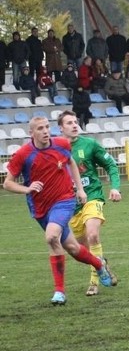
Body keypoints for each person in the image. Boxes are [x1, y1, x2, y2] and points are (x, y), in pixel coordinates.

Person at [3, 116, 114, 305]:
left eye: (47, 127)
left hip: (64, 200)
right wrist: (27, 189)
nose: (45, 131)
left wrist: (79, 189)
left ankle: (59, 292)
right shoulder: (23, 154)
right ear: (32, 133)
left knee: (51, 236)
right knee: (72, 248)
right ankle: (99, 264)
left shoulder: (61, 144)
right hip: (40, 207)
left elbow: (71, 163)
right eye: (40, 128)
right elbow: (7, 183)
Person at [59, 110, 121, 296]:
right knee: (81, 251)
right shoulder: (56, 148)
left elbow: (111, 164)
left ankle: (93, 283)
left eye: (75, 121)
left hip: (92, 197)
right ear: (61, 128)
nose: (74, 125)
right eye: (69, 123)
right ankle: (101, 264)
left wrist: (115, 187)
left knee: (93, 235)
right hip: (71, 205)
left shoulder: (90, 144)